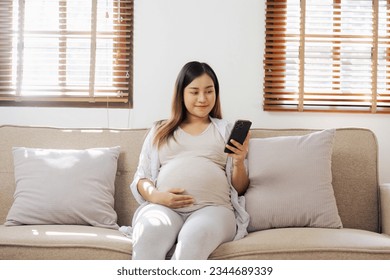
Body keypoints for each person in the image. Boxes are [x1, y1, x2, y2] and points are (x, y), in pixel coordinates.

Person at [129, 61, 250, 260]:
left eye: (209, 91)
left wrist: (238, 162)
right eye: (194, 92)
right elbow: (142, 178)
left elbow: (241, 188)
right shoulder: (160, 130)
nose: (202, 99)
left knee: (193, 238)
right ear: (181, 94)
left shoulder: (226, 130)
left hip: (214, 209)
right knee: (148, 234)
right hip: (163, 208)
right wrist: (158, 197)